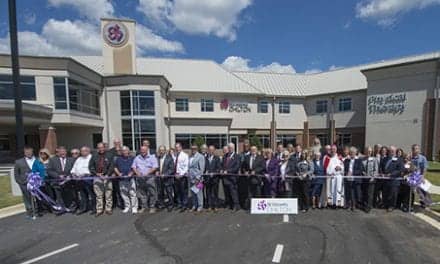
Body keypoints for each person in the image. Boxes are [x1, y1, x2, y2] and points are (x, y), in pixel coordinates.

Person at [47, 146, 76, 215]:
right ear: (58, 153)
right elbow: (49, 170)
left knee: (69, 195)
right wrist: (58, 176)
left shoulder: (71, 159)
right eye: (61, 152)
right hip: (57, 182)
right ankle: (61, 209)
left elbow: (75, 169)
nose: (63, 153)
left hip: (68, 181)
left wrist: (70, 175)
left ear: (66, 152)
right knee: (59, 196)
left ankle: (71, 208)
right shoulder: (52, 160)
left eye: (64, 151)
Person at [14, 146, 40, 218]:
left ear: (32, 151)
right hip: (25, 184)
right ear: (24, 153)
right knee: (27, 198)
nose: (28, 153)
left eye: (30, 151)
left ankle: (37, 210)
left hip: (36, 183)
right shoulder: (18, 162)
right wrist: (20, 183)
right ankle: (30, 212)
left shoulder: (38, 160)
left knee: (37, 197)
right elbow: (16, 174)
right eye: (26, 152)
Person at [89, 142, 114, 216]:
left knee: (108, 194)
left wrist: (107, 174)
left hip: (107, 177)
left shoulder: (109, 155)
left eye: (102, 147)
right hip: (97, 177)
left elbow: (111, 166)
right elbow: (90, 166)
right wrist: (96, 173)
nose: (100, 149)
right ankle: (99, 210)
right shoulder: (94, 156)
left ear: (104, 147)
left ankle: (108, 209)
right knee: (99, 195)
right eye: (99, 148)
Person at [132, 145, 158, 213]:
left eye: (144, 150)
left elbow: (155, 167)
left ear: (147, 150)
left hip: (149, 178)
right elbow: (134, 167)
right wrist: (137, 173)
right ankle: (144, 206)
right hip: (140, 178)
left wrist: (147, 173)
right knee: (142, 193)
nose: (143, 151)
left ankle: (152, 206)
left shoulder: (152, 157)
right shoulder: (137, 158)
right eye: (142, 150)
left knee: (152, 192)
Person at [71, 146, 95, 215]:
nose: (82, 152)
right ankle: (83, 208)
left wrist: (85, 175)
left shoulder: (91, 158)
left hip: (88, 179)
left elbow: (92, 168)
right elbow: (74, 168)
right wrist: (73, 174)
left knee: (92, 195)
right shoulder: (79, 159)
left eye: (84, 151)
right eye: (81, 151)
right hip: (79, 180)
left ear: (88, 151)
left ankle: (94, 208)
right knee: (83, 195)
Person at [114, 146, 138, 214]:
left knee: (132, 193)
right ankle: (127, 206)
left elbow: (135, 167)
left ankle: (134, 207)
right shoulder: (118, 159)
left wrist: (132, 172)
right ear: (121, 152)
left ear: (128, 151)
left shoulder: (132, 158)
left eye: (126, 151)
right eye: (123, 151)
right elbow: (115, 167)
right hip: (122, 179)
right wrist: (118, 173)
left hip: (130, 179)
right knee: (124, 194)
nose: (124, 152)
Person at [410, 144, 432, 208]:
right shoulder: (411, 158)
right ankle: (412, 203)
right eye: (414, 149)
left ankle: (427, 203)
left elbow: (425, 168)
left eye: (417, 149)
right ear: (412, 150)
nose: (415, 150)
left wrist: (422, 176)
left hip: (420, 177)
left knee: (423, 190)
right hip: (412, 177)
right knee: (415, 191)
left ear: (419, 150)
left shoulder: (422, 158)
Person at [383, 146, 404, 212]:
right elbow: (382, 167)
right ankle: (385, 204)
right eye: (390, 151)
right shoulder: (385, 158)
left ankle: (391, 206)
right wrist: (382, 173)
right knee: (386, 193)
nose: (391, 152)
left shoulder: (399, 159)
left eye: (392, 151)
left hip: (394, 180)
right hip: (385, 180)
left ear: (395, 151)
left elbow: (400, 170)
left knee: (393, 194)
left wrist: (391, 174)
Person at [343, 147, 364, 211]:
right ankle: (349, 205)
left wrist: (352, 173)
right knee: (348, 192)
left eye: (353, 152)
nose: (352, 154)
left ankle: (354, 205)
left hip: (355, 179)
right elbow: (344, 169)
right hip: (348, 179)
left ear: (355, 153)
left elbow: (360, 170)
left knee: (354, 193)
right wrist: (347, 173)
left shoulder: (359, 160)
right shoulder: (346, 160)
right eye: (351, 152)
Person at [222, 143, 241, 211]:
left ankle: (236, 206)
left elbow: (237, 167)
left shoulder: (237, 156)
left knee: (233, 193)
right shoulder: (225, 156)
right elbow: (223, 165)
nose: (230, 149)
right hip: (225, 178)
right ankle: (229, 205)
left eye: (231, 148)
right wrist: (222, 170)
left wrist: (228, 171)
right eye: (229, 147)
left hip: (232, 178)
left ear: (233, 148)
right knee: (227, 193)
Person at [156, 145, 175, 212]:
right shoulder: (157, 158)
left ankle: (171, 205)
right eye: (160, 150)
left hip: (167, 179)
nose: (161, 151)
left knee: (169, 192)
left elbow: (172, 169)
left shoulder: (169, 158)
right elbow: (156, 167)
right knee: (160, 192)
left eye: (162, 150)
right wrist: (157, 171)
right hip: (159, 179)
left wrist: (165, 174)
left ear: (165, 151)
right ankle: (161, 204)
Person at [32, 148, 51, 213]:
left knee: (49, 195)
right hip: (39, 182)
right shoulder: (37, 161)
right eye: (41, 153)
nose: (42, 154)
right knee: (40, 196)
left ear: (47, 154)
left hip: (49, 181)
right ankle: (41, 209)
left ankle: (50, 208)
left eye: (44, 153)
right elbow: (34, 171)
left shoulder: (51, 161)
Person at [362, 146, 379, 213]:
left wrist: (372, 178)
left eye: (370, 151)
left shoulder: (374, 159)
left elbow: (376, 170)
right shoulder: (362, 159)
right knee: (365, 193)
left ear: (371, 152)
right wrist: (363, 173)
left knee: (370, 194)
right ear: (365, 151)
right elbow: (361, 168)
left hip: (371, 179)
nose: (368, 152)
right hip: (364, 179)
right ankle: (365, 205)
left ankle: (369, 207)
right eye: (367, 151)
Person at [188, 145, 206, 212]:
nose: (193, 150)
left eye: (195, 148)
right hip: (191, 178)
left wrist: (198, 178)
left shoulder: (201, 157)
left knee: (199, 193)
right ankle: (194, 205)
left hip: (198, 179)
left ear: (197, 149)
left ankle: (200, 206)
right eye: (192, 148)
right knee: (193, 193)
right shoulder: (190, 156)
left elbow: (202, 169)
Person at [205, 145, 222, 211]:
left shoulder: (217, 158)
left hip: (215, 179)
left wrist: (214, 173)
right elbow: (204, 167)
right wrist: (205, 171)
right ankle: (209, 205)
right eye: (209, 150)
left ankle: (215, 206)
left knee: (215, 193)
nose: (211, 151)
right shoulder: (205, 158)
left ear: (214, 150)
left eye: (212, 150)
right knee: (208, 193)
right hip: (207, 179)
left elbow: (219, 168)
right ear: (208, 150)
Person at [174, 143, 189, 212]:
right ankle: (179, 204)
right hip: (175, 176)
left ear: (181, 147)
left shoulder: (185, 155)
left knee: (183, 191)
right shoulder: (175, 155)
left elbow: (186, 167)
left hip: (182, 177)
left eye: (178, 147)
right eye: (176, 147)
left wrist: (181, 174)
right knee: (177, 191)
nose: (177, 148)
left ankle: (184, 205)